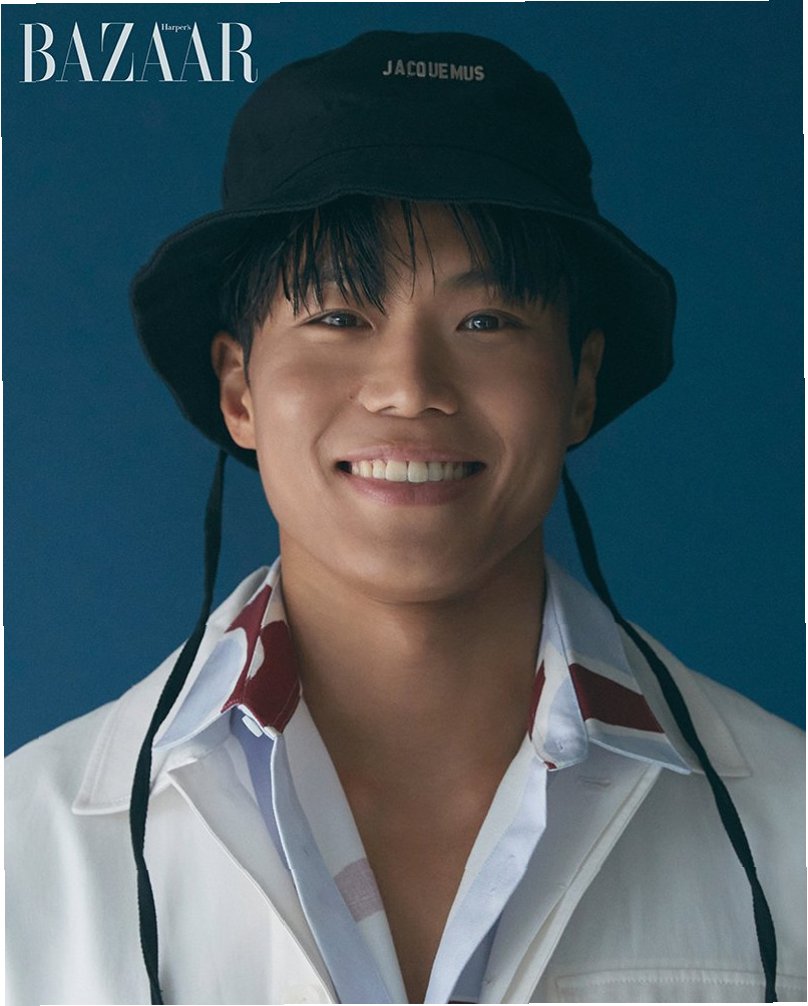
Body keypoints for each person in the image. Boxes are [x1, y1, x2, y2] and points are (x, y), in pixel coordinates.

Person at [5, 30, 805, 1006]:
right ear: (239, 389)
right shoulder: (25, 850)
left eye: (486, 321)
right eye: (338, 317)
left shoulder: (793, 828)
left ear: (579, 385)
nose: (409, 386)